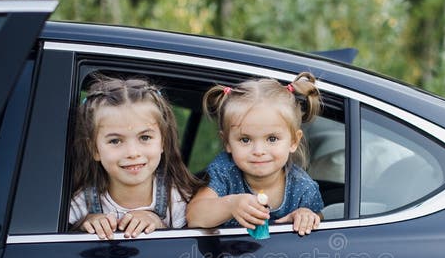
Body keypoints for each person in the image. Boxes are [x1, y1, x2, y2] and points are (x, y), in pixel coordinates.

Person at [186, 72, 324, 236]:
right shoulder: (224, 172)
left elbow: (320, 219)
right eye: (245, 140)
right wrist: (231, 205)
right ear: (227, 143)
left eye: (272, 139)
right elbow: (194, 216)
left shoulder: (303, 187)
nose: (258, 151)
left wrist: (305, 215)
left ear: (294, 141)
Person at [69, 74, 204, 239]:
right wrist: (84, 225)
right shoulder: (80, 204)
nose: (133, 153)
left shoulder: (179, 201)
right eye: (115, 141)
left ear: (163, 141)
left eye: (145, 138)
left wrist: (160, 225)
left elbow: (189, 249)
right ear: (95, 150)